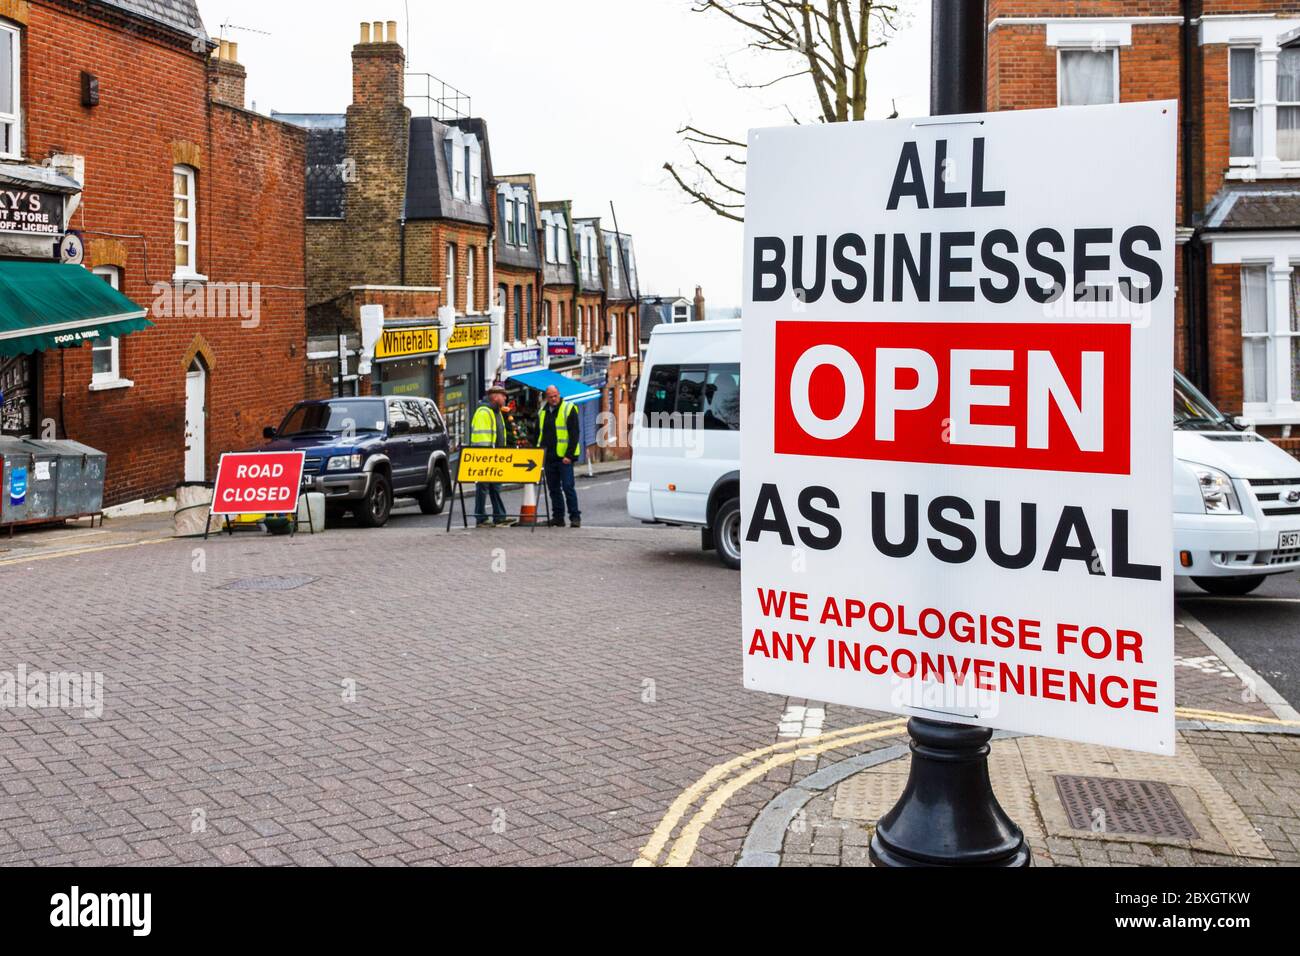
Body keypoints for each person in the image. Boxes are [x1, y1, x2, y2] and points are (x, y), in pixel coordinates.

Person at [470, 385, 517, 528]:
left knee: (495, 487)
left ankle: (499, 516)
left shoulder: (496, 412)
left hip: (495, 457)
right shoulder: (484, 412)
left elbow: (499, 435)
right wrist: (486, 456)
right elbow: (481, 438)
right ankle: (481, 518)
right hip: (485, 457)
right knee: (483, 487)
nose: (505, 399)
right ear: (496, 397)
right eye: (503, 396)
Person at [537, 385, 582, 528]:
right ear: (546, 397)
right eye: (550, 397)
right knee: (553, 489)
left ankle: (575, 517)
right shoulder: (542, 412)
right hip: (549, 457)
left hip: (564, 458)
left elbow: (574, 434)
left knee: (568, 487)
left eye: (555, 395)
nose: (553, 399)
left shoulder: (568, 409)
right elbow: (540, 434)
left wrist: (569, 455)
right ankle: (558, 517)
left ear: (559, 394)